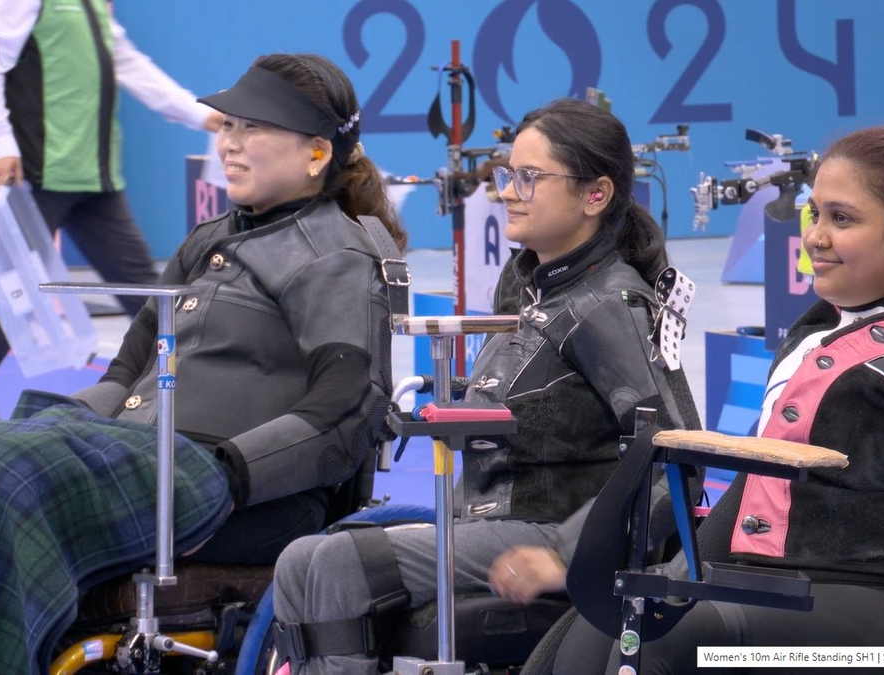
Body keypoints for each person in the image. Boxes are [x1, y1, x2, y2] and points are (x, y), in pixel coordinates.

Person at [0, 53, 405, 674]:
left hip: (232, 491)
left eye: (251, 128)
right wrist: (60, 427)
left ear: (316, 152)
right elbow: (126, 371)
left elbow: (350, 408)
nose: (229, 144)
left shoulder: (336, 253)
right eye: (226, 126)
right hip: (135, 457)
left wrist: (230, 472)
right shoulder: (204, 240)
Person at [550, 125, 884, 675]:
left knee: (672, 641)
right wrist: (668, 589)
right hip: (784, 590)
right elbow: (749, 498)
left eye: (841, 219)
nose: (815, 236)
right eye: (814, 214)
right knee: (600, 627)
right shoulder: (817, 334)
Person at [271, 97, 702, 675]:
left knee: (342, 563)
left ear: (595, 195)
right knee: (299, 558)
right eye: (506, 174)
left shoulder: (608, 306)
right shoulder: (527, 288)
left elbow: (679, 458)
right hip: (486, 521)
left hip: (548, 529)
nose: (506, 191)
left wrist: (563, 554)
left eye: (530, 177)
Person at [0, 0, 224, 430]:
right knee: (14, 288)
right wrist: (0, 140)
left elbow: (129, 64)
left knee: (145, 288)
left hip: (92, 172)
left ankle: (197, 392)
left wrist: (199, 114)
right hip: (36, 166)